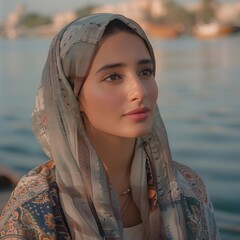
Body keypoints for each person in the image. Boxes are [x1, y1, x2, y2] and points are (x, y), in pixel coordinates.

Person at [0, 13, 219, 239]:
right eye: (113, 77)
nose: (139, 91)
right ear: (71, 96)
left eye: (145, 72)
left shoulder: (187, 188)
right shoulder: (33, 211)